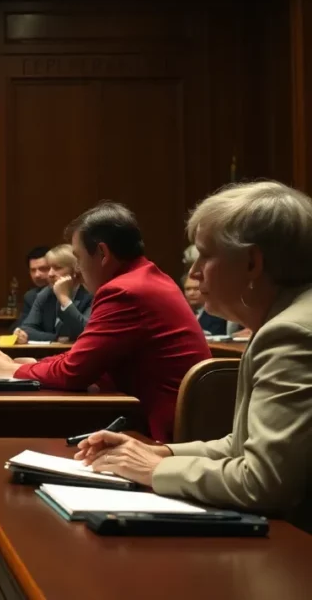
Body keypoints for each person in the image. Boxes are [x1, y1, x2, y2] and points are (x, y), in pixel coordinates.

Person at [75, 181, 312, 533]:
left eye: (205, 254)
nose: (195, 271)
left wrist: (152, 471)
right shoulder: (283, 319)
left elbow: (262, 481)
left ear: (252, 262)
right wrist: (161, 454)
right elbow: (241, 445)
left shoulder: (289, 334)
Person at [0, 202, 211, 442]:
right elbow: (85, 357)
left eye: (78, 257)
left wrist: (14, 371)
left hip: (163, 436)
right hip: (168, 423)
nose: (77, 268)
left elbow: (74, 372)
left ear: (103, 254)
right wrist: (35, 364)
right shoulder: (146, 278)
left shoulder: (125, 291)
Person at [14, 244, 92, 343]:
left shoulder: (90, 295)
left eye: (57, 268)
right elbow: (27, 329)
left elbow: (87, 331)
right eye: (49, 268)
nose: (50, 274)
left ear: (75, 270)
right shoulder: (46, 293)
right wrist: (56, 338)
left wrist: (64, 299)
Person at [12, 246, 50, 330]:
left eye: (43, 269)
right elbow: (21, 328)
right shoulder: (31, 296)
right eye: (33, 270)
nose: (37, 275)